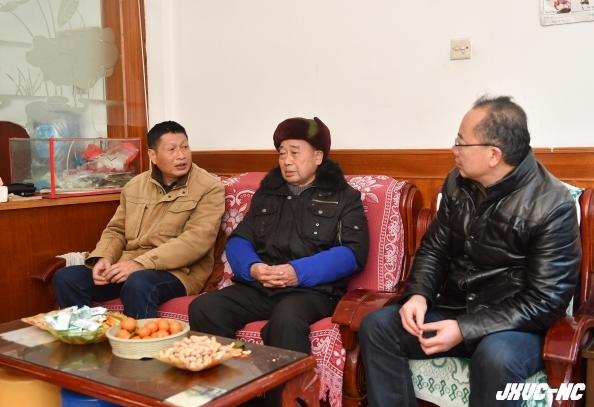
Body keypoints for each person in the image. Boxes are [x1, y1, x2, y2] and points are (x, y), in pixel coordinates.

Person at [358, 95, 581, 407]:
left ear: (493, 155)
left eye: (461, 142)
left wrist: (464, 329)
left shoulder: (552, 204)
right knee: (378, 327)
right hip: (455, 307)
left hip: (514, 326)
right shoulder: (457, 182)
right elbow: (435, 248)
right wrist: (419, 295)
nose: (454, 150)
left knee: (495, 356)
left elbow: (546, 299)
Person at [189, 117, 369, 406]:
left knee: (287, 318)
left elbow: (353, 253)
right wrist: (253, 268)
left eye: (295, 152)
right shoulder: (268, 193)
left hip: (312, 291)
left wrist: (298, 272)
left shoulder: (344, 197)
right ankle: (229, 399)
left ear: (318, 157)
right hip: (262, 285)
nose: (286, 161)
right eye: (282, 153)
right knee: (206, 307)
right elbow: (239, 239)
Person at [53, 121, 225, 319]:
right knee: (66, 278)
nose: (181, 155)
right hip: (131, 264)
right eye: (171, 149)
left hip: (179, 272)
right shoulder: (134, 185)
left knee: (139, 282)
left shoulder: (209, 187)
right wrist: (104, 257)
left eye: (185, 147)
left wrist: (140, 264)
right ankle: (88, 334)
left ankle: (135, 340)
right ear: (153, 155)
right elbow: (117, 229)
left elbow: (195, 242)